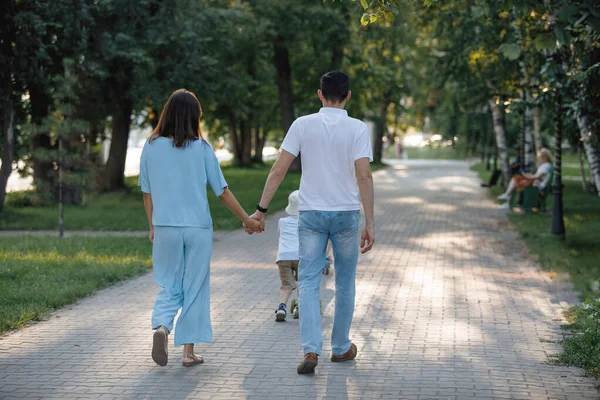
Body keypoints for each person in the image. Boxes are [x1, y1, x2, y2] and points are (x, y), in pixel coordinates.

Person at [247, 71, 376, 374]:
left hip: (311, 214)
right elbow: (364, 176)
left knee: (306, 281)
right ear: (348, 95)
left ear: (319, 94)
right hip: (346, 215)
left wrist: (261, 210)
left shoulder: (302, 125)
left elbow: (278, 170)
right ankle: (341, 348)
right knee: (344, 282)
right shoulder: (357, 128)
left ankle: (311, 350)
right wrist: (370, 221)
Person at [138, 89, 261, 368]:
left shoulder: (151, 146)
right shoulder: (202, 148)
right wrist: (246, 219)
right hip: (197, 229)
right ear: (194, 117)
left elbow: (147, 193)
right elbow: (222, 191)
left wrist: (152, 226)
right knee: (194, 287)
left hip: (165, 226)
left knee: (169, 283)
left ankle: (161, 326)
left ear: (167, 113)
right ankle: (188, 353)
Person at [275, 190, 300, 322]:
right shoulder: (307, 222)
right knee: (303, 282)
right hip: (300, 256)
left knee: (286, 285)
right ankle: (302, 305)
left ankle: (282, 307)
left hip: (283, 256)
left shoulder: (282, 221)